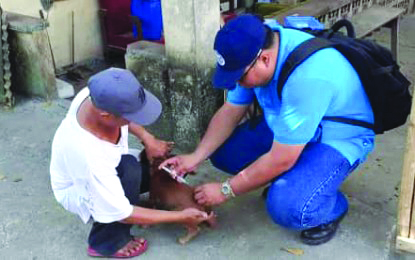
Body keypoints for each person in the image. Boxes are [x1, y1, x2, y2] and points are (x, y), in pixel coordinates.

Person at [160, 14, 375, 245]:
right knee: (224, 153)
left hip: (337, 137)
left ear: (263, 59)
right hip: (292, 128)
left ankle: (330, 206)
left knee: (288, 207)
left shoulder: (308, 78)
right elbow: (231, 110)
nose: (237, 84)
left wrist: (225, 190)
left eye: (239, 77)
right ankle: (298, 176)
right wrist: (195, 157)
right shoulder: (254, 50)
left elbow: (281, 158)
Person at [50, 68, 211, 258]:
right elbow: (122, 213)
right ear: (106, 115)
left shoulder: (97, 93)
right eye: (131, 115)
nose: (135, 120)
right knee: (130, 170)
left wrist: (147, 138)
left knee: (160, 165)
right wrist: (179, 216)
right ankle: (106, 242)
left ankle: (144, 195)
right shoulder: (89, 156)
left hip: (112, 162)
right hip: (81, 188)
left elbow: (128, 117)